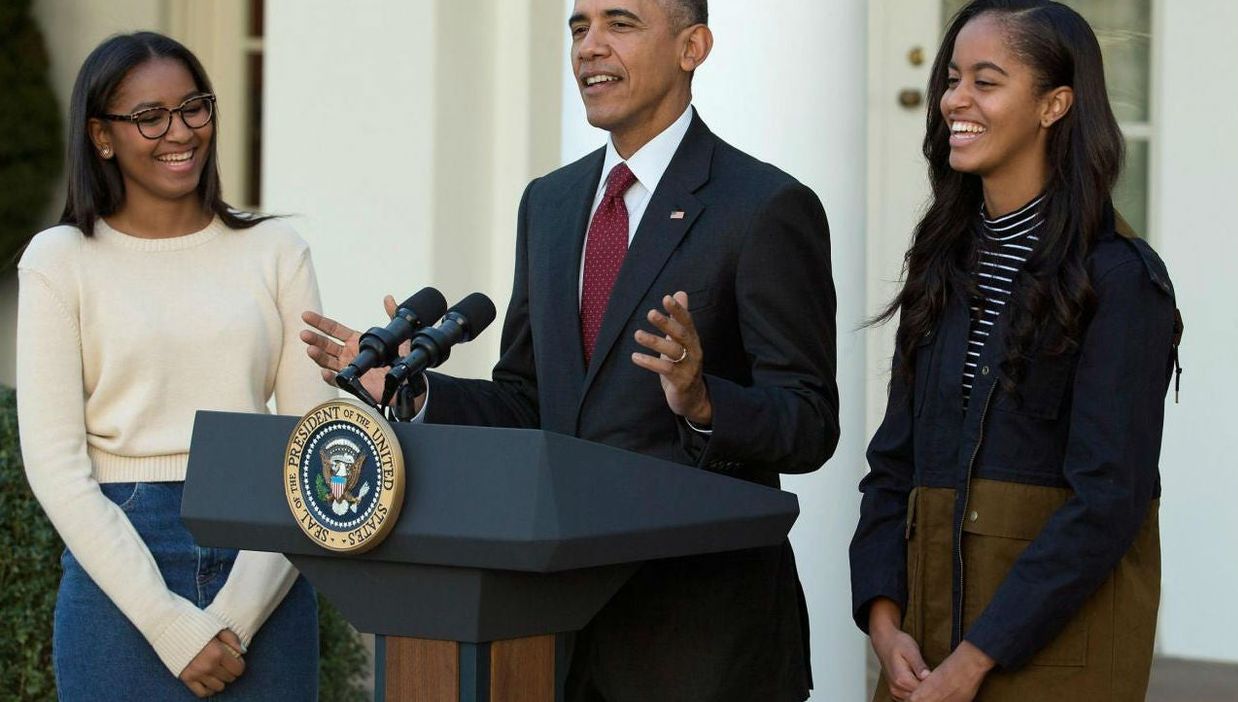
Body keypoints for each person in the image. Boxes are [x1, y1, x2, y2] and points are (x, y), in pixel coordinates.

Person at [300, 1, 838, 699]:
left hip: (701, 640)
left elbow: (808, 422)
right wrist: (410, 391)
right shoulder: (549, 205)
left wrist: (703, 402)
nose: (589, 47)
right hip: (552, 633)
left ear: (692, 46)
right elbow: (530, 401)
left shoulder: (763, 206)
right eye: (578, 28)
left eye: (619, 24)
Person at [849, 2, 1179, 700]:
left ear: (1054, 104)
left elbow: (1108, 499)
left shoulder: (1118, 279)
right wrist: (883, 620)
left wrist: (975, 660)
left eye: (985, 81)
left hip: (1049, 656)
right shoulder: (940, 264)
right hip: (923, 647)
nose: (953, 101)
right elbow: (892, 465)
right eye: (951, 78)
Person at [16, 32, 333, 700]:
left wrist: (236, 618)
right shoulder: (60, 259)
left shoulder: (276, 250)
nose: (180, 132)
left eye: (194, 107)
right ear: (102, 137)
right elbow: (53, 464)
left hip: (265, 553)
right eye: (149, 116)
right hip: (120, 569)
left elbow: (313, 445)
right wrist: (168, 624)